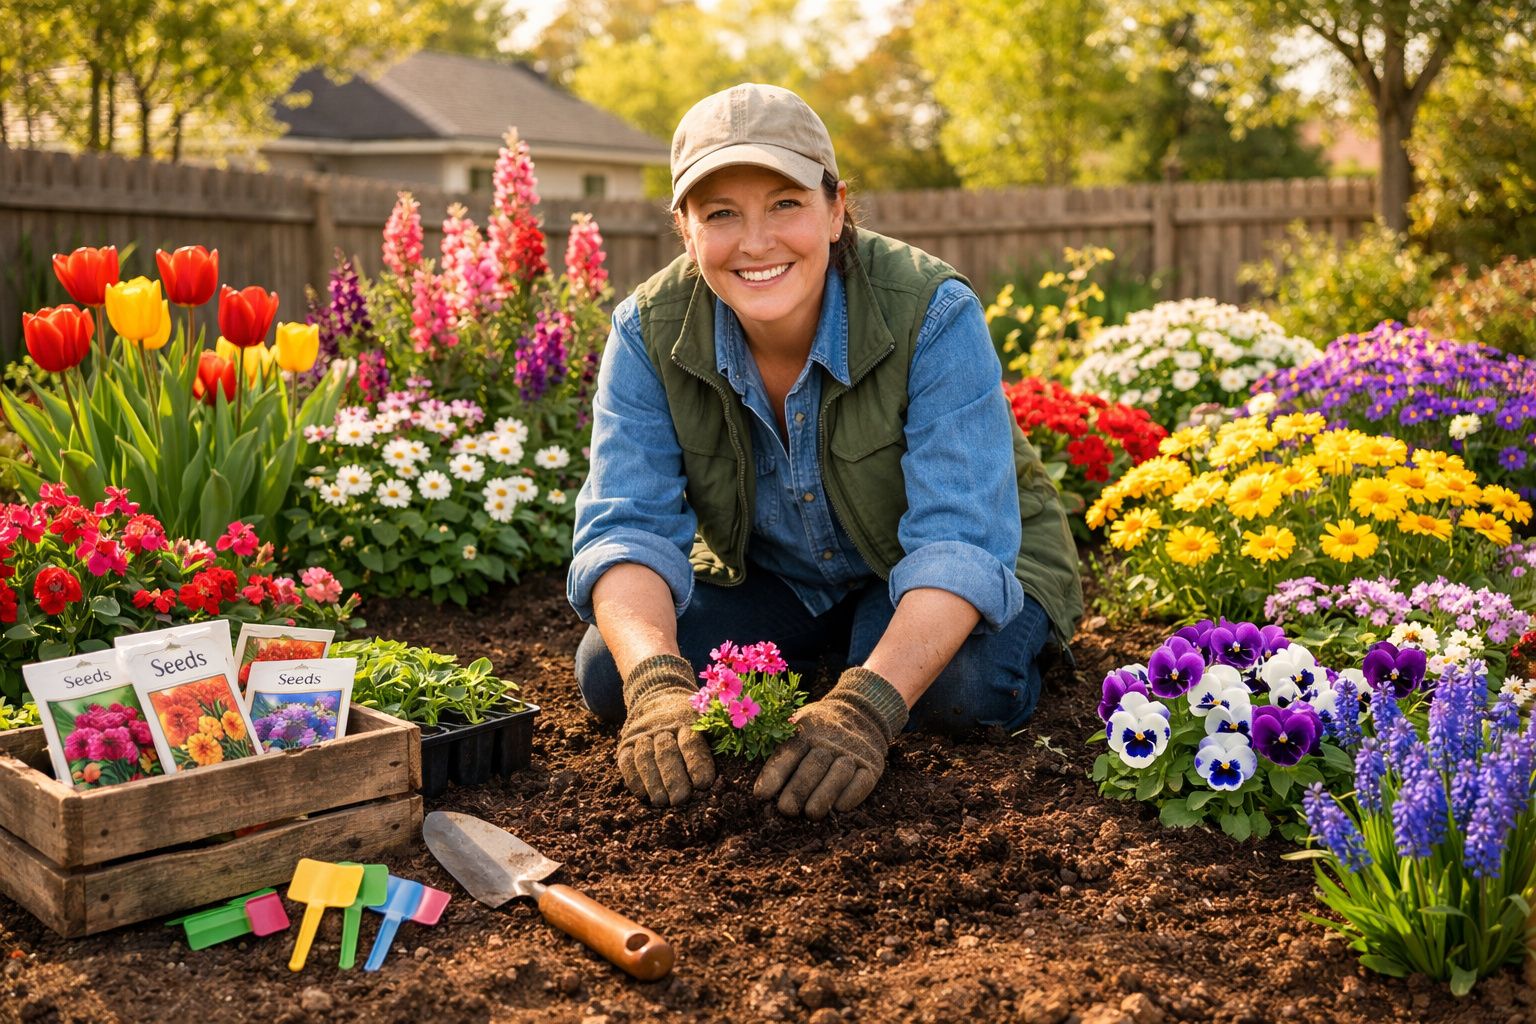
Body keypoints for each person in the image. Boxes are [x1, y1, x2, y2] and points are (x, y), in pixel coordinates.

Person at [568, 82, 1082, 820]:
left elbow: (961, 542)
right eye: (720, 214)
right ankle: (842, 650)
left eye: (786, 204)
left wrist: (867, 709)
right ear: (684, 230)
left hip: (960, 559)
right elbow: (626, 529)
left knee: (960, 692)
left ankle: (863, 660)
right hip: (784, 570)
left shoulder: (933, 312)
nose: (755, 241)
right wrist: (656, 683)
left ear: (836, 208)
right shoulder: (648, 332)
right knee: (610, 675)